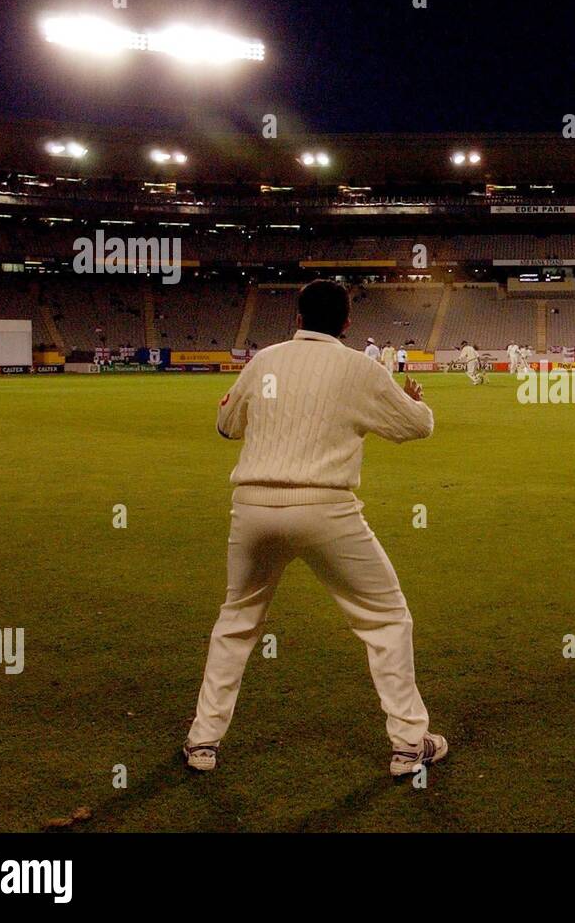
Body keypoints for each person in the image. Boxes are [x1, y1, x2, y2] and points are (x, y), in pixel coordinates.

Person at [185, 280, 446, 778]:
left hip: (253, 506)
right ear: (346, 322)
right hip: (325, 508)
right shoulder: (361, 368)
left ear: (298, 317)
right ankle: (410, 744)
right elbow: (416, 427)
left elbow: (226, 426)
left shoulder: (265, 361)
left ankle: (203, 742)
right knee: (386, 620)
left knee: (236, 622)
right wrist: (415, 401)